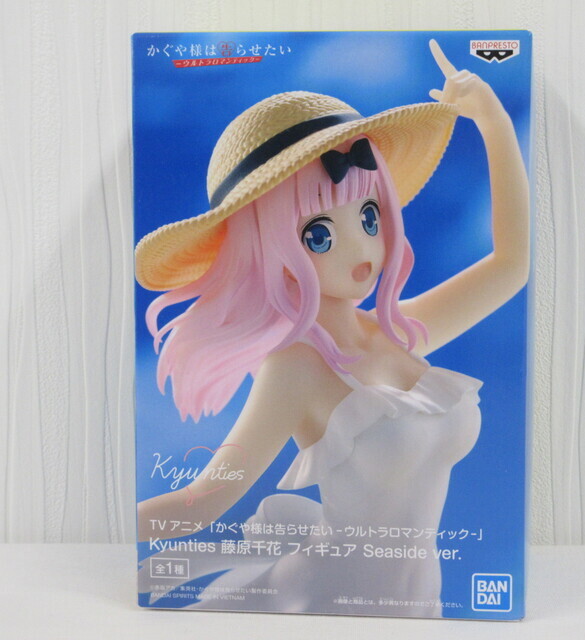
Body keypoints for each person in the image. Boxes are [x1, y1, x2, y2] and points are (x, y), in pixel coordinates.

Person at [135, 40, 529, 617]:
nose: (362, 249)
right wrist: (87, 532)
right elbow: (203, 502)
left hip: (419, 608)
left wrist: (493, 123)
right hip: (318, 603)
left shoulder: (398, 331)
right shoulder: (294, 367)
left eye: (369, 216)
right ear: (267, 248)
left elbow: (511, 265)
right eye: (318, 234)